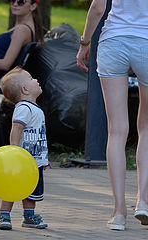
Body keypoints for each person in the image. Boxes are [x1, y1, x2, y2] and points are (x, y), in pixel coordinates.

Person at [76, 0, 148, 231]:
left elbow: (98, 7)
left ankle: (119, 212)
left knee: (117, 131)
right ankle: (143, 201)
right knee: (146, 128)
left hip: (113, 41)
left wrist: (84, 42)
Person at [0, 66, 51, 230]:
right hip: (22, 160)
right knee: (12, 187)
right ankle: (4, 216)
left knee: (31, 190)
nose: (36, 80)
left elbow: (39, 136)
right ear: (25, 89)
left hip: (35, 161)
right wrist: (14, 150)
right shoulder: (24, 108)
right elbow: (17, 128)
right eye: (31, 78)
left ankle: (29, 216)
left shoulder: (34, 108)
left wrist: (44, 159)